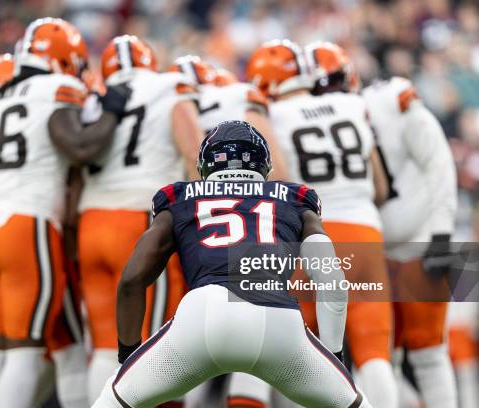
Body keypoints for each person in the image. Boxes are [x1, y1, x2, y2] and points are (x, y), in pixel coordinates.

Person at [92, 120, 371, 408]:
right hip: (279, 324)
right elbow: (332, 282)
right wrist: (333, 357)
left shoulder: (180, 198)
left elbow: (131, 280)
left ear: (204, 168)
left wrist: (128, 357)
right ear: (265, 167)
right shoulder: (294, 199)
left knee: (112, 402)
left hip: (203, 317)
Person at [0, 18, 131, 408]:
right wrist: (111, 112)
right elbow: (81, 145)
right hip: (25, 225)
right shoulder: (55, 88)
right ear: (61, 61)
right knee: (25, 350)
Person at [246, 39, 397, 408]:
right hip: (365, 230)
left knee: (307, 356)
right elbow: (379, 187)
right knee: (374, 351)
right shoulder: (352, 104)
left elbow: (277, 180)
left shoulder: (272, 115)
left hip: (312, 235)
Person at [77, 35, 203, 402]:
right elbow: (195, 154)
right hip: (140, 222)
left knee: (104, 343)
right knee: (155, 342)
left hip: (91, 221)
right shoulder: (168, 86)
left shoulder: (92, 98)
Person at [346, 46, 458, 407]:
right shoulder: (345, 112)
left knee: (429, 351)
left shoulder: (394, 99)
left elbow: (439, 161)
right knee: (377, 355)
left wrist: (442, 232)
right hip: (373, 247)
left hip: (421, 240)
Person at [170, 54, 288, 182]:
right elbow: (274, 166)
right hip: (249, 184)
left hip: (203, 189)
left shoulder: (172, 103)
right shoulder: (239, 93)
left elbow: (192, 157)